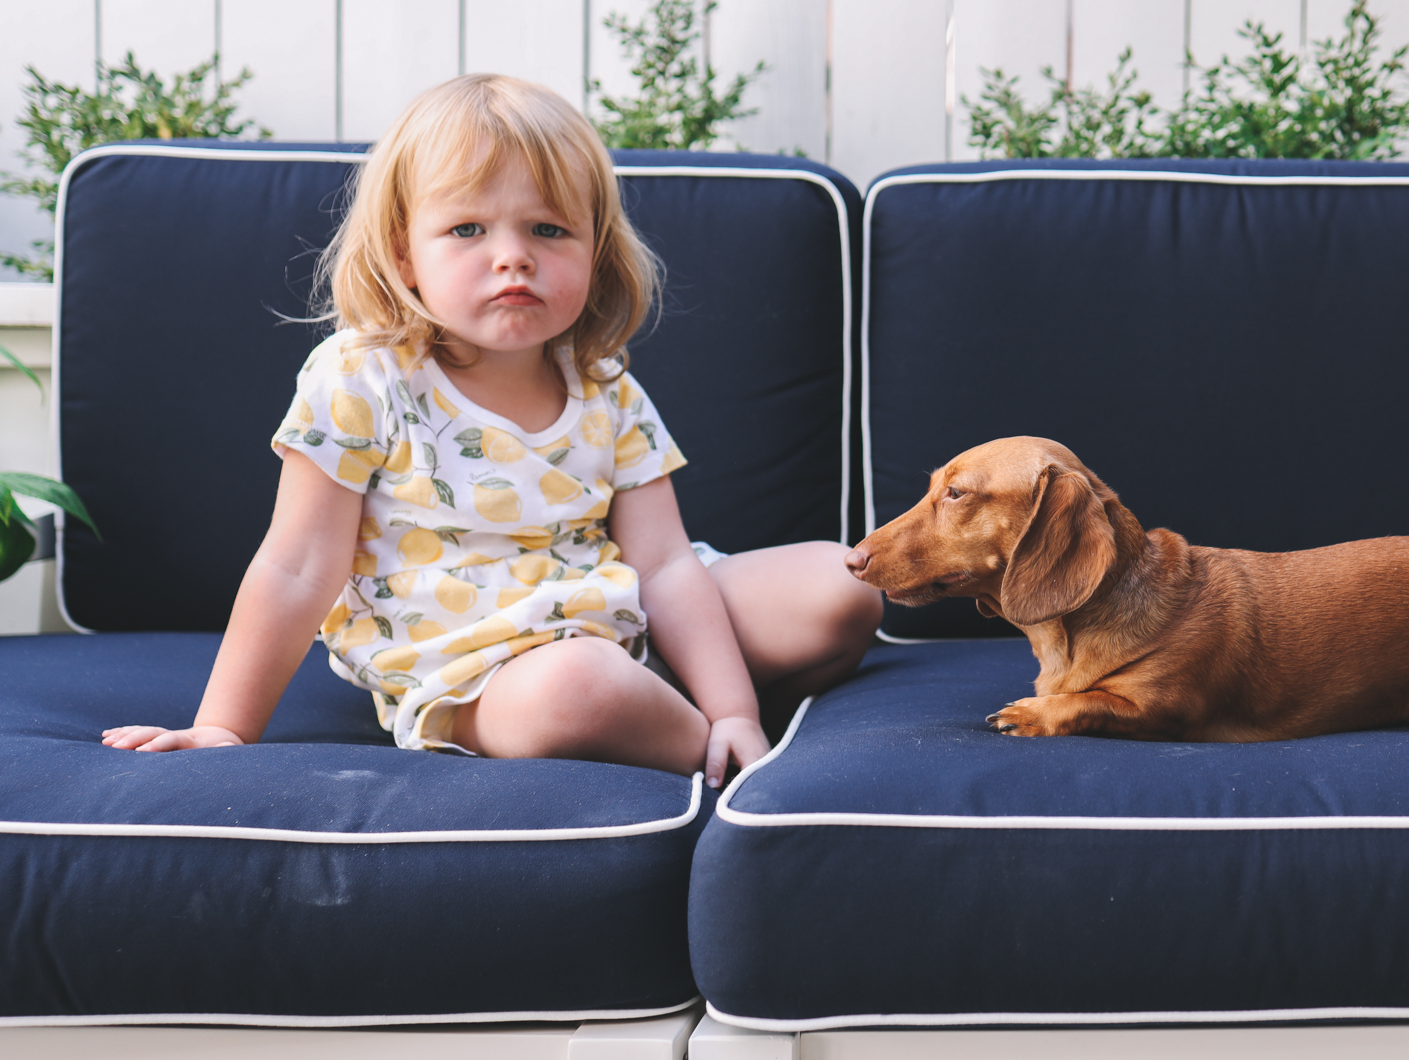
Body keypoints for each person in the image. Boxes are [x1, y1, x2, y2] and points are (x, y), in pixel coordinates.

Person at [102, 74, 882, 787]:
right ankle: (699, 749)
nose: (513, 259)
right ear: (406, 255)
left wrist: (735, 707)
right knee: (580, 688)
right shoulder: (363, 377)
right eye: (468, 230)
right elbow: (297, 567)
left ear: (594, 251)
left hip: (616, 613)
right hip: (484, 671)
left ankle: (686, 711)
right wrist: (223, 728)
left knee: (842, 586)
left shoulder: (606, 388)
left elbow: (669, 567)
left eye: (548, 230)